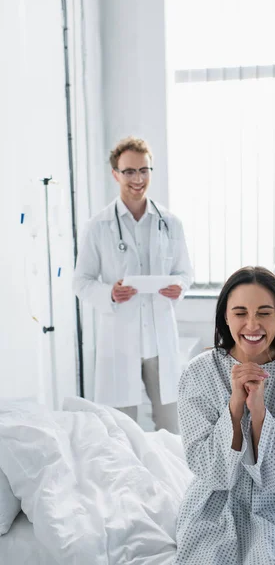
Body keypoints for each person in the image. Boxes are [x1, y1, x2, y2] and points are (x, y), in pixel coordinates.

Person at [176, 266, 275, 564]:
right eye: (240, 313)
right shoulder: (198, 373)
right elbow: (211, 473)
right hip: (214, 506)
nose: (252, 324)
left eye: (264, 313)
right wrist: (235, 408)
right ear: (225, 316)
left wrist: (259, 414)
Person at [73, 136, 192, 433]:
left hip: (158, 339)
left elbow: (185, 273)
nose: (138, 179)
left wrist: (179, 286)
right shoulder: (97, 226)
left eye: (144, 170)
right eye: (129, 171)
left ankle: (170, 480)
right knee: (120, 428)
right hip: (120, 339)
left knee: (171, 425)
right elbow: (81, 282)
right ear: (115, 174)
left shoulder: (170, 223)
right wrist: (109, 293)